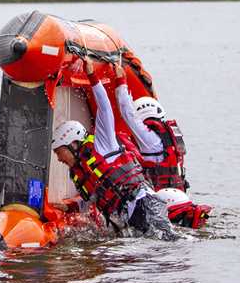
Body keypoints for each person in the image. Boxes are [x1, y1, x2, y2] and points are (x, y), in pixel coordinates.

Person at [50, 56, 179, 241]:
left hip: (146, 205)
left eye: (59, 152)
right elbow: (96, 199)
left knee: (165, 244)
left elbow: (105, 108)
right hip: (130, 216)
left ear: (72, 144)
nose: (59, 159)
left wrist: (92, 75)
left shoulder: (103, 143)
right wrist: (71, 208)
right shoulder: (80, 171)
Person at [113, 63, 211, 229]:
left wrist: (120, 80)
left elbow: (127, 112)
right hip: (179, 198)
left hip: (162, 202)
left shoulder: (149, 139)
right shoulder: (166, 138)